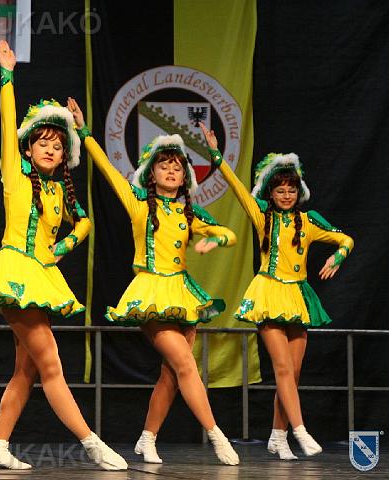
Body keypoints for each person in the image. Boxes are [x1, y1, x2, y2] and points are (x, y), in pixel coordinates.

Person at [0, 41, 126, 471]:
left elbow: (84, 223)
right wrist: (7, 77)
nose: (49, 149)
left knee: (25, 370)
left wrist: (60, 248)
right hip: (12, 273)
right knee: (51, 364)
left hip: (41, 276)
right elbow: (7, 123)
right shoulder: (15, 173)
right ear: (28, 148)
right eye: (42, 142)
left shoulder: (59, 192)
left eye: (57, 145)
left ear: (65, 156)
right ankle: (92, 443)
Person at [68, 99, 240, 466]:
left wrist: (215, 240)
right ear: (151, 172)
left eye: (178, 167)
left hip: (182, 293)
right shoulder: (140, 205)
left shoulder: (190, 213)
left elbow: (230, 233)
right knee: (186, 366)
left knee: (172, 374)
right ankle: (217, 435)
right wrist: (85, 133)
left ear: (185, 176)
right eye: (165, 166)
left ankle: (147, 439)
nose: (172, 171)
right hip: (151, 292)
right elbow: (108, 170)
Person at [200, 122, 354, 459]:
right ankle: (300, 430)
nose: (286, 195)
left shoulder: (309, 221)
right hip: (269, 295)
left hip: (297, 296)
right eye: (280, 190)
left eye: (291, 190)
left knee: (292, 374)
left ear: (299, 192)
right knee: (283, 369)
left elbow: (346, 239)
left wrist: (338, 257)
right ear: (269, 193)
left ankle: (277, 436)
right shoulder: (262, 217)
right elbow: (238, 189)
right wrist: (216, 155)